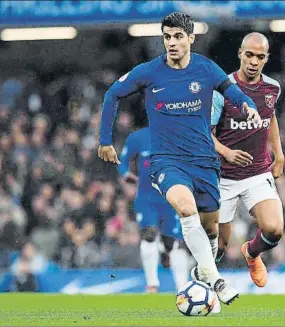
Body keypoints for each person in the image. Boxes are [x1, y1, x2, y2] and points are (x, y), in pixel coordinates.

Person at [98, 12, 261, 304]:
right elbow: (112, 94)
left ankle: (204, 271)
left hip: (204, 162)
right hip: (166, 162)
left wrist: (248, 105)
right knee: (186, 209)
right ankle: (216, 281)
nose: (171, 43)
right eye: (166, 37)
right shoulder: (149, 72)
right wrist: (104, 141)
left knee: (211, 227)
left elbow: (233, 92)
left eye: (177, 36)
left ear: (190, 38)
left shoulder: (206, 68)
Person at [209, 32, 285, 287]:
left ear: (266, 59)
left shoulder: (272, 88)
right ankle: (206, 283)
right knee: (218, 246)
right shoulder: (222, 89)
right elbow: (205, 133)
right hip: (223, 177)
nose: (253, 61)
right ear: (240, 54)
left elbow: (270, 117)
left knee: (274, 230)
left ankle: (252, 253)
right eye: (249, 55)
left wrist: (279, 153)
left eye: (260, 57)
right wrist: (227, 152)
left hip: (257, 173)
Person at [118, 126, 189, 292]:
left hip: (172, 198)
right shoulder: (138, 137)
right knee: (148, 236)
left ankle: (183, 287)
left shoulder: (180, 134)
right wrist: (125, 174)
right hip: (147, 198)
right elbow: (123, 160)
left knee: (174, 244)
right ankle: (152, 285)